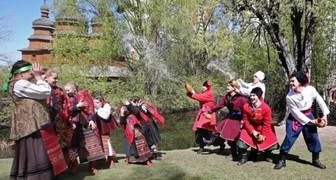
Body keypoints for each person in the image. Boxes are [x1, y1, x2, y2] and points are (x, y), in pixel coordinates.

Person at [3, 60, 67, 179]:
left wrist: (39, 78)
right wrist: (39, 77)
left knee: (40, 153)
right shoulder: (19, 83)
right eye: (30, 72)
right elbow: (45, 92)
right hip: (30, 126)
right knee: (35, 154)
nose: (33, 74)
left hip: (36, 124)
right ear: (21, 73)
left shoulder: (23, 83)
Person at [274, 71, 330, 170]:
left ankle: (315, 160)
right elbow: (296, 112)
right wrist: (310, 121)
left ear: (299, 81)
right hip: (295, 118)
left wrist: (325, 115)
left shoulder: (310, 89)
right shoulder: (289, 96)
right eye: (290, 81)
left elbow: (320, 100)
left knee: (313, 137)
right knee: (289, 138)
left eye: (293, 81)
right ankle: (282, 160)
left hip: (309, 114)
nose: (290, 83)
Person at [64, 82, 105, 174]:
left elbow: (90, 106)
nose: (67, 92)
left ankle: (92, 166)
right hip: (73, 123)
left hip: (85, 122)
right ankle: (75, 164)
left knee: (91, 143)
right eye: (66, 90)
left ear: (74, 88)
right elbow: (65, 110)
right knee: (72, 145)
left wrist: (91, 119)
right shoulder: (66, 98)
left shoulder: (83, 93)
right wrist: (77, 106)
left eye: (68, 90)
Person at [236, 87, 278, 165]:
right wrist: (252, 131)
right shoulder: (246, 106)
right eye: (251, 95)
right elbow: (246, 120)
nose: (251, 97)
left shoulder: (266, 108)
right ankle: (244, 158)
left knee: (271, 143)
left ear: (259, 96)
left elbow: (267, 123)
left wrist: (263, 135)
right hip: (251, 126)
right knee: (242, 141)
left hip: (264, 128)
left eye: (254, 95)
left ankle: (266, 156)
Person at [207, 79, 247, 159]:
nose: (227, 87)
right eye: (227, 85)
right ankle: (232, 153)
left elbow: (246, 110)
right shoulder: (227, 97)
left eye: (229, 86)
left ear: (234, 87)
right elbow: (219, 105)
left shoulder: (241, 98)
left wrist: (244, 120)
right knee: (222, 132)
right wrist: (210, 111)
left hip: (238, 120)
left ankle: (238, 154)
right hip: (230, 118)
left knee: (235, 137)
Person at [44, 69, 74, 166]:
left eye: (57, 78)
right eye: (54, 78)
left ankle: (61, 166)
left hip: (59, 122)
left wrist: (68, 119)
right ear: (46, 78)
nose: (56, 80)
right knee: (47, 145)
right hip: (46, 121)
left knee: (61, 144)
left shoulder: (59, 91)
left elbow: (66, 105)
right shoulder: (41, 89)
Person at [185, 80, 216, 154]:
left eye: (205, 86)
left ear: (209, 87)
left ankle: (218, 143)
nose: (203, 87)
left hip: (208, 114)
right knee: (199, 130)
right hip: (202, 114)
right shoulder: (203, 93)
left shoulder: (210, 93)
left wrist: (192, 92)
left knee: (207, 131)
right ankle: (201, 146)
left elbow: (200, 97)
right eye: (203, 85)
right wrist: (189, 91)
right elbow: (197, 97)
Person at [130, 96, 165, 160]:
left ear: (136, 102)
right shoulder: (135, 108)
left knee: (152, 140)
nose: (131, 104)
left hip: (149, 125)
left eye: (132, 102)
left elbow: (144, 111)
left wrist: (139, 106)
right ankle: (146, 154)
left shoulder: (143, 106)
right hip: (142, 126)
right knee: (144, 141)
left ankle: (155, 155)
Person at [119, 100, 153, 166]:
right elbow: (122, 122)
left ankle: (146, 160)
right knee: (128, 147)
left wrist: (129, 104)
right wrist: (122, 114)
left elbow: (137, 111)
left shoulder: (134, 112)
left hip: (137, 131)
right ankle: (128, 159)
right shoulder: (124, 114)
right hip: (128, 133)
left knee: (142, 145)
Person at [93, 95, 118, 167]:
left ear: (102, 102)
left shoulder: (106, 106)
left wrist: (99, 109)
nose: (95, 104)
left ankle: (111, 159)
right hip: (96, 127)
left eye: (97, 102)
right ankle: (100, 158)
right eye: (94, 102)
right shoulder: (93, 107)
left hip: (104, 127)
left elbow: (105, 116)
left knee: (107, 141)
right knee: (97, 142)